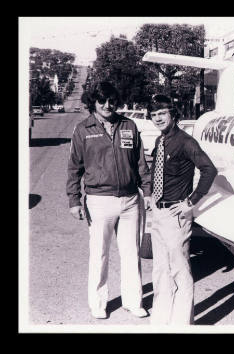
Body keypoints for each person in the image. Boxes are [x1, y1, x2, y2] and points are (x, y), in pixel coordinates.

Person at [66, 81, 151, 319]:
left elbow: (140, 164)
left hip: (130, 200)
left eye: (112, 100)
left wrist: (149, 192)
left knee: (131, 253)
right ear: (93, 102)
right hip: (99, 201)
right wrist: (74, 200)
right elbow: (74, 168)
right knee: (99, 253)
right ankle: (98, 303)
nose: (107, 105)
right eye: (102, 100)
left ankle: (134, 302)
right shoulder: (83, 129)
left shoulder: (129, 125)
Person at [148, 94, 217, 325]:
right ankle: (161, 319)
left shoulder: (186, 142)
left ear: (173, 114)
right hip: (158, 212)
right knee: (160, 270)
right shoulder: (160, 141)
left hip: (175, 216)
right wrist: (151, 197)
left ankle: (181, 323)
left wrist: (191, 201)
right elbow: (157, 171)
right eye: (154, 114)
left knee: (180, 271)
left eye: (162, 113)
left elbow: (209, 170)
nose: (158, 118)